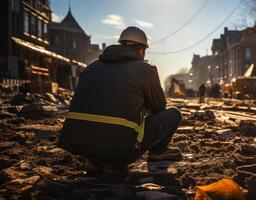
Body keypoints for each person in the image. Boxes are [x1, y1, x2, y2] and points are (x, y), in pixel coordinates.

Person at [58, 26, 182, 174]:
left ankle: (94, 160)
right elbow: (159, 107)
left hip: (78, 145)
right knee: (173, 114)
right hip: (120, 149)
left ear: (120, 44)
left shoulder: (92, 67)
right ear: (142, 50)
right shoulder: (146, 70)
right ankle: (157, 154)